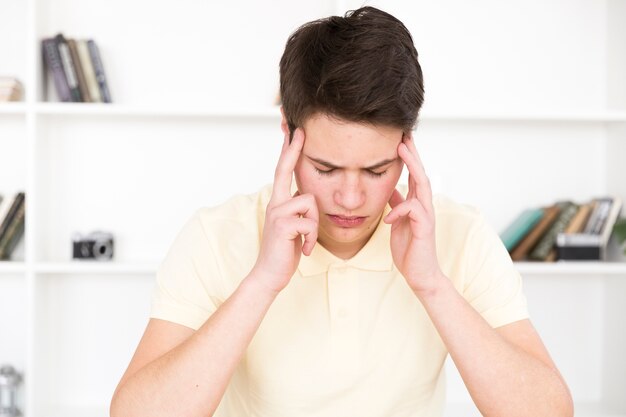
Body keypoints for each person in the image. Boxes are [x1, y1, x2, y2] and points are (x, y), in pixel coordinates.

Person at [110, 7, 573, 417]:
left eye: (377, 170)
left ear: (407, 147)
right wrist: (262, 282)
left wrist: (432, 284)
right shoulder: (217, 234)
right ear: (288, 136)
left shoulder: (459, 234)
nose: (351, 199)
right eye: (325, 168)